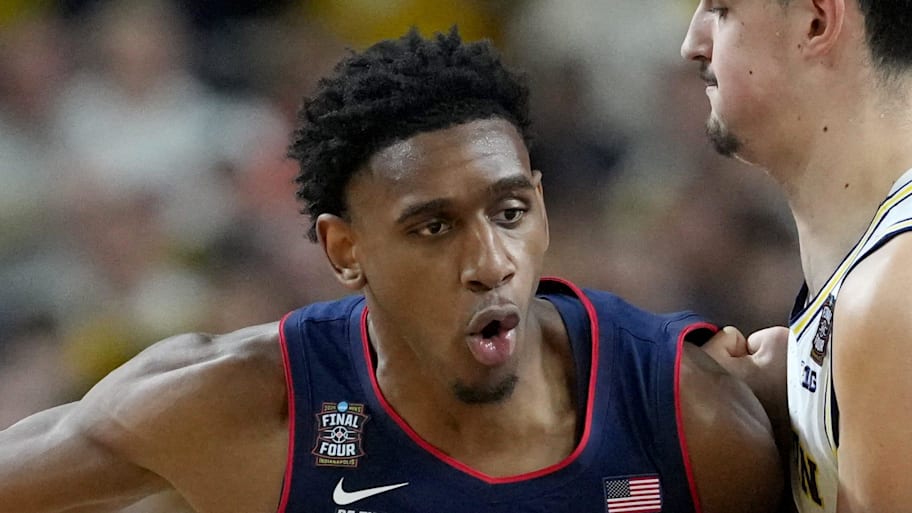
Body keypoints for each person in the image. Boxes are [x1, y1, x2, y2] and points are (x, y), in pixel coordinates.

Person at [1, 28, 783, 513]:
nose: (489, 262)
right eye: (433, 227)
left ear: (542, 207)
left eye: (510, 211)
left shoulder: (685, 414)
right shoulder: (236, 406)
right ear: (345, 250)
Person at [681, 1, 912, 512]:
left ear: (816, 22)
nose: (692, 44)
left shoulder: (893, 297)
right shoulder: (872, 276)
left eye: (720, 10)